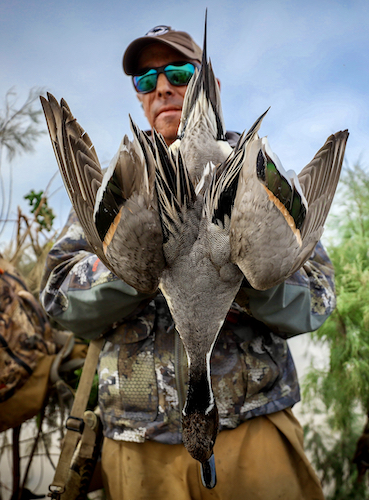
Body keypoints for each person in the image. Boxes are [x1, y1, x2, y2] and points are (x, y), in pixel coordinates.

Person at [41, 25, 335, 500]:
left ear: (210, 87)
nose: (162, 86)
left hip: (254, 436)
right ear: (140, 98)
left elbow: (318, 299)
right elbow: (57, 298)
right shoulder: (121, 187)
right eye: (145, 80)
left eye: (179, 72)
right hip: (137, 451)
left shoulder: (257, 173)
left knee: (265, 261)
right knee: (129, 258)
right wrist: (143, 267)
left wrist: (239, 267)